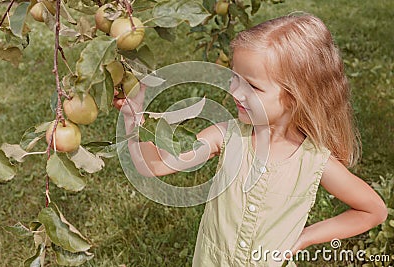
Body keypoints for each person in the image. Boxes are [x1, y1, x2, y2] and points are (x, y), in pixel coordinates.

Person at [113, 13, 388, 267]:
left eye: (252, 86)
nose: (234, 90)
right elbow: (157, 165)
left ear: (296, 97)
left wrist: (305, 237)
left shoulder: (315, 162)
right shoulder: (228, 136)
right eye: (234, 78)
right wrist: (134, 119)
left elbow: (373, 211)